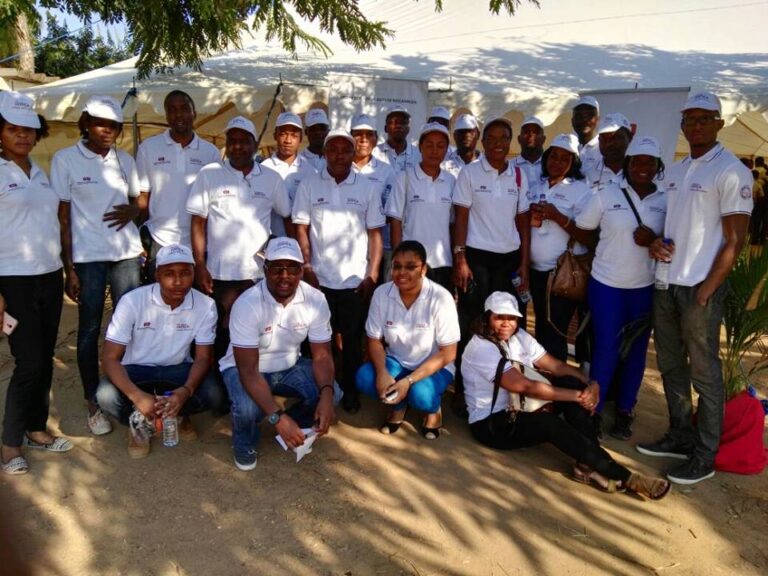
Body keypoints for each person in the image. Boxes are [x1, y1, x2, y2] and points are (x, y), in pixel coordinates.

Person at [637, 92, 753, 485]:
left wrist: (707, 290)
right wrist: (655, 244)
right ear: (683, 125)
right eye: (690, 119)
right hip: (666, 282)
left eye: (705, 119)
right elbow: (672, 225)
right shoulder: (676, 170)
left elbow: (735, 240)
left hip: (699, 287)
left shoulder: (731, 171)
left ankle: (705, 456)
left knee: (705, 374)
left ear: (720, 123)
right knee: (671, 365)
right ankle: (680, 435)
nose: (697, 125)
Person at [462, 292, 671, 500]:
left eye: (512, 318)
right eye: (499, 317)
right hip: (493, 424)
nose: (506, 323)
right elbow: (525, 386)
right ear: (486, 318)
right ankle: (628, 477)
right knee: (549, 423)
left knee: (571, 381)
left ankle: (587, 465)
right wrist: (578, 396)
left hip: (520, 407)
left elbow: (555, 366)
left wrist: (589, 384)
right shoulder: (481, 348)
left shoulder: (519, 337)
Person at [52, 95, 143, 437]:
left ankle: (130, 392)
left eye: (114, 126)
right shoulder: (65, 159)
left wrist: (135, 210)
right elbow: (62, 218)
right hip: (88, 257)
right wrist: (69, 268)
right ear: (87, 123)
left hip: (126, 254)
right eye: (100, 124)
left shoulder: (125, 160)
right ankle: (93, 402)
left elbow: (139, 199)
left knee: (131, 326)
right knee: (90, 329)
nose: (107, 131)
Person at [219, 237, 341, 470]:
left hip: (288, 365)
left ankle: (293, 424)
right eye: (277, 268)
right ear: (265, 270)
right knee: (247, 409)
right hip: (244, 368)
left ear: (301, 271)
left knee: (332, 393)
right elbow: (248, 370)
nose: (285, 276)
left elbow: (322, 356)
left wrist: (326, 397)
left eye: (292, 268)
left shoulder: (315, 300)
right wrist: (276, 417)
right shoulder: (247, 304)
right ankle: (246, 439)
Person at [576, 136, 667, 440]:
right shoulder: (606, 194)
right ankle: (595, 410)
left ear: (658, 166)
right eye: (637, 160)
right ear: (628, 164)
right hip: (606, 285)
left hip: (644, 287)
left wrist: (654, 239)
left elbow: (672, 241)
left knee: (637, 352)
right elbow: (583, 229)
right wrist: (605, 247)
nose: (643, 167)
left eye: (649, 162)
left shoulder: (666, 199)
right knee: (606, 348)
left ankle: (626, 410)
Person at [96, 245, 225, 458]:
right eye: (169, 274)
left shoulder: (206, 305)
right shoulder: (132, 301)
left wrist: (185, 391)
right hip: (136, 369)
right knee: (105, 396)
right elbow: (109, 358)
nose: (178, 281)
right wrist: (137, 397)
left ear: (194, 274)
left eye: (185, 273)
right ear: (157, 275)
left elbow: (203, 358)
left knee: (214, 393)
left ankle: (176, 412)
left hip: (178, 369)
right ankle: (139, 419)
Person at [0, 92, 72, 475]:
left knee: (43, 357)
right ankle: (10, 444)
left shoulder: (40, 172)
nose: (22, 136)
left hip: (48, 276)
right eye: (13, 129)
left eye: (28, 130)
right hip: (13, 281)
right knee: (27, 362)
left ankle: (36, 429)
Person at [293, 128, 385, 413]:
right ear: (324, 153)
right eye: (333, 150)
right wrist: (306, 266)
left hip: (354, 280)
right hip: (318, 281)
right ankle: (322, 390)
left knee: (352, 340)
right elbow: (301, 229)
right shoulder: (309, 184)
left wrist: (372, 274)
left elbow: (375, 234)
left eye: (346, 150)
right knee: (318, 340)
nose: (339, 155)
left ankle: (350, 390)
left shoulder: (368, 187)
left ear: (353, 153)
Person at [186, 116, 290, 360]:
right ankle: (218, 377)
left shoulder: (272, 178)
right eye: (232, 141)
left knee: (257, 329)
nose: (238, 146)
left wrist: (290, 261)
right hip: (219, 273)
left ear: (255, 145)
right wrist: (199, 265)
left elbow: (287, 217)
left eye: (244, 141)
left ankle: (253, 375)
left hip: (258, 274)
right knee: (220, 329)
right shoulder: (209, 174)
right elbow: (198, 222)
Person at [452, 116, 530, 416]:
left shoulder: (519, 175)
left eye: (504, 138)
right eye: (492, 138)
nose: (498, 144)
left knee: (506, 325)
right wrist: (461, 258)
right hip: (476, 259)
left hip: (508, 261)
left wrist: (524, 263)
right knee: (472, 323)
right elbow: (461, 218)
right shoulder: (470, 173)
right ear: (483, 142)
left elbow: (523, 222)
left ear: (510, 142)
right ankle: (463, 389)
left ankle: (507, 390)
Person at [356, 241, 459, 439]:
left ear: (423, 269)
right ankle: (398, 405)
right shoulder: (381, 294)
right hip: (396, 361)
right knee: (365, 377)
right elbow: (374, 340)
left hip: (433, 366)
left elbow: (448, 353)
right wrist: (382, 372)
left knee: (421, 395)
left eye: (411, 267)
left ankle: (433, 410)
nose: (402, 272)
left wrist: (409, 381)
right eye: (397, 266)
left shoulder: (441, 298)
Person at [135, 90, 221, 278]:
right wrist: (138, 238)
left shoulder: (210, 153)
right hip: (159, 239)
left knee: (197, 295)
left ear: (194, 113)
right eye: (172, 110)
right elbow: (143, 197)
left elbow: (216, 201)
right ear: (166, 116)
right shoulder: (148, 148)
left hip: (199, 243)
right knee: (158, 294)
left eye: (184, 109)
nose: (178, 115)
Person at [526, 134, 593, 362]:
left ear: (573, 163)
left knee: (555, 331)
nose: (557, 162)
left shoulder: (581, 191)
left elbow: (588, 236)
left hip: (561, 275)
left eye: (565, 159)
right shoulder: (535, 186)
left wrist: (558, 217)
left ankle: (559, 380)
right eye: (554, 156)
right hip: (535, 271)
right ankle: (543, 377)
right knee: (541, 328)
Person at [387, 122, 456, 290]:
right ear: (420, 147)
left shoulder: (451, 181)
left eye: (440, 146)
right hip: (412, 264)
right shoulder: (404, 178)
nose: (435, 151)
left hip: (443, 262)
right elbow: (395, 221)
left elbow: (453, 224)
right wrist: (398, 261)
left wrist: (456, 259)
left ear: (447, 149)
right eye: (429, 145)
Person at [350, 113, 398, 283]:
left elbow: (391, 211)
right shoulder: (340, 168)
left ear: (376, 139)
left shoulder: (387, 171)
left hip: (380, 248)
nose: (363, 139)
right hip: (348, 248)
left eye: (369, 134)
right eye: (358, 134)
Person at [261, 111, 318, 238]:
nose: (288, 140)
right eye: (283, 134)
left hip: (301, 242)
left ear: (301, 138)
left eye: (294, 135)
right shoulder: (263, 169)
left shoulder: (310, 172)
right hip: (269, 243)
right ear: (275, 135)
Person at [585, 113, 633, 190]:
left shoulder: (641, 173)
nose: (609, 143)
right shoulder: (587, 175)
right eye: (604, 138)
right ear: (599, 140)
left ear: (629, 138)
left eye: (616, 137)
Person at [373, 105, 421, 173]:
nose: (398, 126)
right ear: (385, 128)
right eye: (394, 122)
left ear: (408, 129)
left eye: (403, 122)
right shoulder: (374, 153)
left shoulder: (418, 155)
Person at [571, 96, 601, 178]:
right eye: (579, 115)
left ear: (598, 119)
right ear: (572, 121)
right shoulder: (568, 148)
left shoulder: (604, 150)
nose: (584, 120)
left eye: (589, 115)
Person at [512, 116, 546, 185]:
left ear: (543, 139)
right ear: (519, 139)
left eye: (536, 132)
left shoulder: (552, 167)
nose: (531, 135)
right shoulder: (509, 167)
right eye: (526, 132)